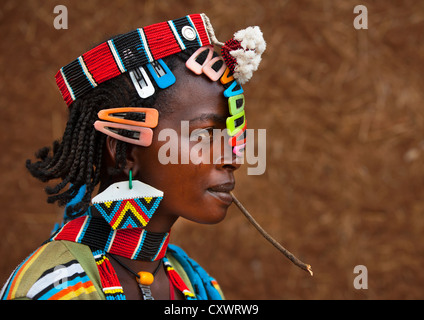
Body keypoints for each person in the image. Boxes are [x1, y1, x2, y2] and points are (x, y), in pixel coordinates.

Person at [1, 13, 265, 300]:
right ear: (125, 152)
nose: (233, 159)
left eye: (230, 138)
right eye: (203, 136)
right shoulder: (54, 290)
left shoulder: (196, 284)